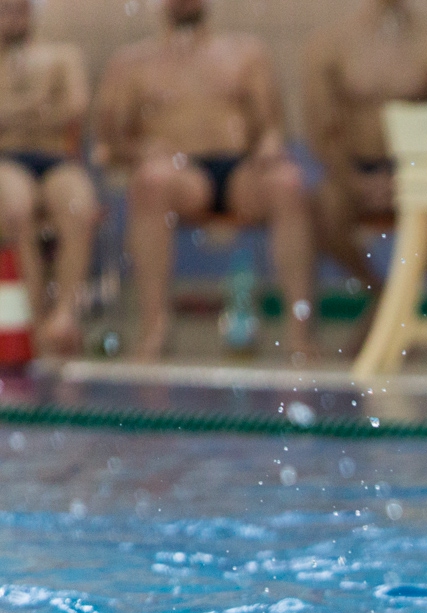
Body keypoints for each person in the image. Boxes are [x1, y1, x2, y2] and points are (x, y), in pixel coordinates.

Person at [94, 0, 318, 363]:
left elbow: (273, 126)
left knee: (288, 184)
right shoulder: (131, 63)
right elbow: (108, 143)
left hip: (240, 171)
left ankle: (300, 334)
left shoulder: (245, 52)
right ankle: (155, 328)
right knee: (151, 183)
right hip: (180, 176)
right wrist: (141, 152)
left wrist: (269, 145)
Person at [302, 0, 427, 317]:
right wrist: (352, 180)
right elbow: (320, 126)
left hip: (413, 172)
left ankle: (385, 306)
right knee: (320, 212)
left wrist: (411, 177)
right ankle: (383, 297)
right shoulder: (331, 44)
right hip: (352, 170)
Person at [0, 0, 96, 353]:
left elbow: (76, 107)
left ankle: (64, 315)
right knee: (16, 208)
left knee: (79, 205)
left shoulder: (61, 56)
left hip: (56, 159)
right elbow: (56, 108)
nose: (13, 17)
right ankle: (36, 322)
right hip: (6, 161)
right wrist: (41, 105)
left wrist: (11, 112)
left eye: (20, 10)